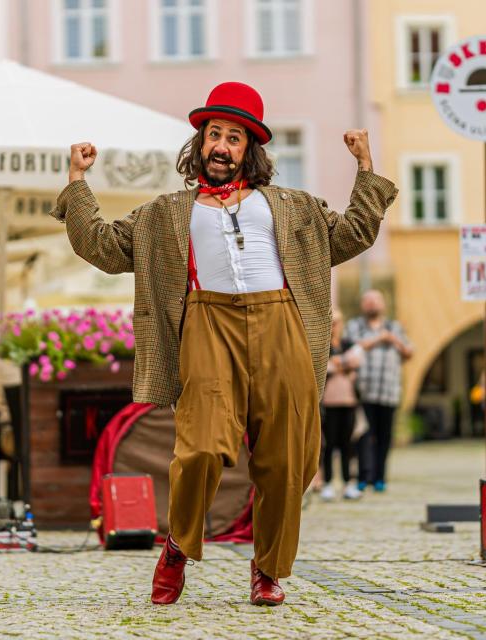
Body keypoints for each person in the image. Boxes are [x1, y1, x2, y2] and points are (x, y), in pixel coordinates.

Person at [51, 81, 397, 606]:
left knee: (288, 459)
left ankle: (268, 568)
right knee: (201, 448)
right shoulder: (166, 213)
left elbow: (352, 234)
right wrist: (77, 181)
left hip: (282, 323)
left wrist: (365, 167)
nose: (221, 146)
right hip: (207, 323)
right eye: (214, 134)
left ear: (248, 149)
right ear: (200, 143)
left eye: (234, 138)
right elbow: (103, 246)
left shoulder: (292, 205)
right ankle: (177, 546)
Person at [344, 290, 412, 493]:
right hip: (362, 392)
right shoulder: (355, 326)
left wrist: (394, 340)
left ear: (383, 304)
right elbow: (349, 349)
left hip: (388, 392)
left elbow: (409, 352)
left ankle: (380, 478)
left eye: (375, 301)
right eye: (368, 301)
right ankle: (363, 477)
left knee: (384, 438)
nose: (372, 304)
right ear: (362, 305)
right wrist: (379, 339)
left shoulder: (394, 327)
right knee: (363, 436)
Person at [320, 311, 363, 501]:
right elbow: (323, 367)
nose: (334, 327)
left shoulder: (348, 344)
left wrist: (337, 363)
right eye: (331, 323)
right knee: (329, 444)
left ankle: (348, 483)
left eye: (336, 323)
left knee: (348, 444)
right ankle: (328, 483)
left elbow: (357, 360)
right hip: (329, 403)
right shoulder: (322, 346)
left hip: (349, 401)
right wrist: (343, 364)